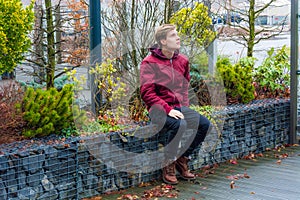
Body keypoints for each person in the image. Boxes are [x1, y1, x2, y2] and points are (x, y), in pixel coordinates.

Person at [140, 24, 211, 185]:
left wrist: (182, 106)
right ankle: (168, 164)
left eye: (176, 34)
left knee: (205, 125)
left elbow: (185, 86)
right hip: (157, 109)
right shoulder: (149, 62)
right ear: (163, 41)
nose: (178, 38)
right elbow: (147, 93)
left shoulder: (183, 60)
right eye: (173, 35)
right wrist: (168, 109)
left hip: (178, 107)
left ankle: (182, 159)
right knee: (180, 125)